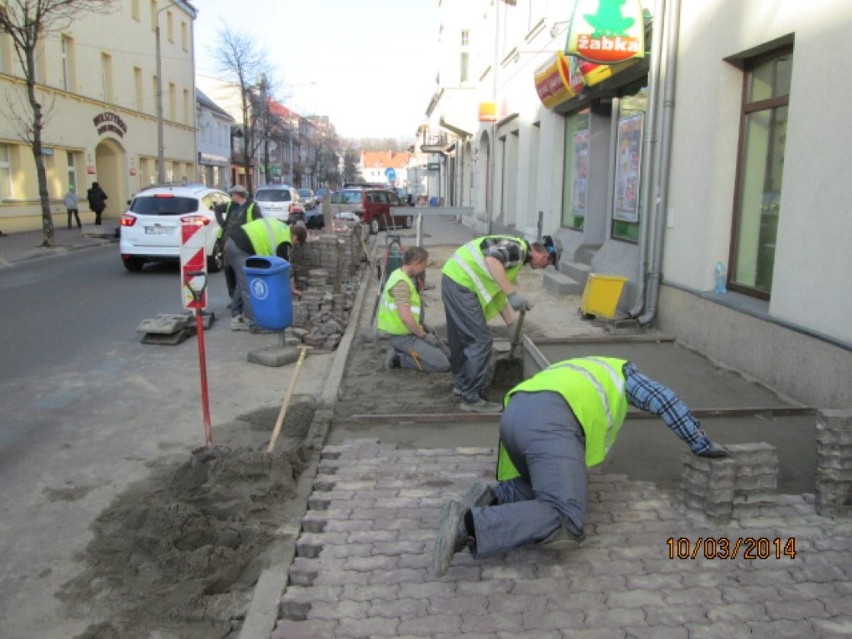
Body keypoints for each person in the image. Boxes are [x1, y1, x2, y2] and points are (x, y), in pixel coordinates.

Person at [432, 356, 732, 577]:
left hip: (514, 416)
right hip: (550, 426)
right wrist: (701, 443)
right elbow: (663, 399)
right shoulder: (622, 373)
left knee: (542, 483)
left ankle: (498, 497)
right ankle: (469, 525)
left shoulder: (577, 366)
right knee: (566, 519)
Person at [441, 235, 554, 413]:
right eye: (546, 264)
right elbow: (492, 260)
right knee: (481, 340)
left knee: (461, 337)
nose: (542, 268)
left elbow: (497, 292)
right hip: (461, 283)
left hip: (454, 278)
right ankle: (471, 399)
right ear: (544, 256)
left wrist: (510, 324)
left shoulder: (513, 257)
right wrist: (512, 293)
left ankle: (463, 385)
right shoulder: (518, 250)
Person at [378, 246, 450, 373]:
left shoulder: (400, 274)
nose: (423, 270)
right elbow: (405, 318)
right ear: (416, 264)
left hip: (410, 332)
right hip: (403, 336)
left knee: (448, 354)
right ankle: (399, 359)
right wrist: (423, 336)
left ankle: (408, 351)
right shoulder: (401, 284)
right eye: (423, 266)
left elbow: (410, 312)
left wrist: (423, 326)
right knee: (442, 364)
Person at [227, 217, 306, 333]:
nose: (294, 245)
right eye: (297, 243)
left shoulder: (283, 228)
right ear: (295, 237)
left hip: (235, 242)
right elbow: (286, 267)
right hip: (241, 247)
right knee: (250, 286)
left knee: (243, 280)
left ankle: (236, 312)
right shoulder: (285, 242)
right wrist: (292, 288)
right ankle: (255, 325)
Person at [215, 184, 263, 319]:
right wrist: (223, 224)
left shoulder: (252, 207)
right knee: (229, 272)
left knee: (241, 276)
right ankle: (234, 301)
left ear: (238, 194)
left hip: (242, 245)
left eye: (232, 194)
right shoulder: (232, 205)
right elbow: (218, 209)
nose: (231, 197)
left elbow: (259, 224)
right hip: (228, 243)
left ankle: (238, 305)